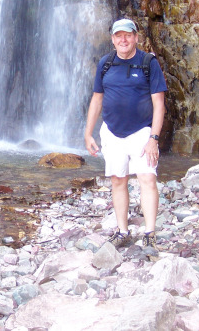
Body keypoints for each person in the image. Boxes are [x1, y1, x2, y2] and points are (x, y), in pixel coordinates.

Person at [84, 18, 167, 251]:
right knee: (118, 180)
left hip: (142, 131)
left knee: (147, 179)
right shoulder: (106, 64)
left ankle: (150, 233)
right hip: (111, 132)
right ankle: (123, 231)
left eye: (128, 35)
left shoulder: (148, 63)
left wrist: (154, 138)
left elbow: (159, 104)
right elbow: (97, 99)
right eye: (118, 35)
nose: (123, 39)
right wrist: (88, 133)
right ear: (112, 40)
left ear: (136, 38)